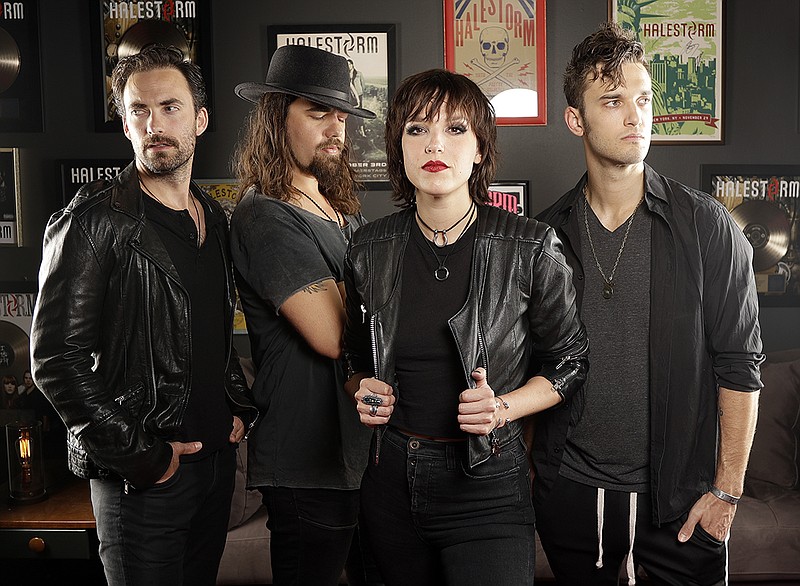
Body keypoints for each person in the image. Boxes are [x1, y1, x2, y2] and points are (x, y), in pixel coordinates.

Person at [534, 23, 763, 585]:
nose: (635, 115)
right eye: (612, 101)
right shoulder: (545, 237)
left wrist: (726, 493)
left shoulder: (706, 225)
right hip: (572, 497)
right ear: (575, 120)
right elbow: (528, 365)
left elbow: (740, 366)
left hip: (682, 507)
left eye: (643, 99)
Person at [342, 68, 589, 586]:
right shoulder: (368, 247)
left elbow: (570, 363)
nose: (435, 143)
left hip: (487, 483)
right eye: (416, 128)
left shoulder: (530, 245)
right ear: (399, 147)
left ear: (480, 150)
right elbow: (353, 359)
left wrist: (501, 408)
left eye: (455, 129)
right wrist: (363, 388)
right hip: (389, 481)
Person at [30, 45, 257, 586]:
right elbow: (54, 360)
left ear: (200, 119)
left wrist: (237, 406)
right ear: (125, 122)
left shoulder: (215, 219)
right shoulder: (93, 221)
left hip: (213, 470)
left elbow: (211, 332)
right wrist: (144, 458)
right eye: (138, 110)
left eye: (170, 107)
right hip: (143, 481)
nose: (153, 124)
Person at [230, 44, 378, 586]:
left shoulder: (342, 212)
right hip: (304, 460)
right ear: (276, 118)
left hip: (361, 455)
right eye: (318, 114)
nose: (335, 130)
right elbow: (333, 334)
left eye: (340, 116)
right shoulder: (264, 214)